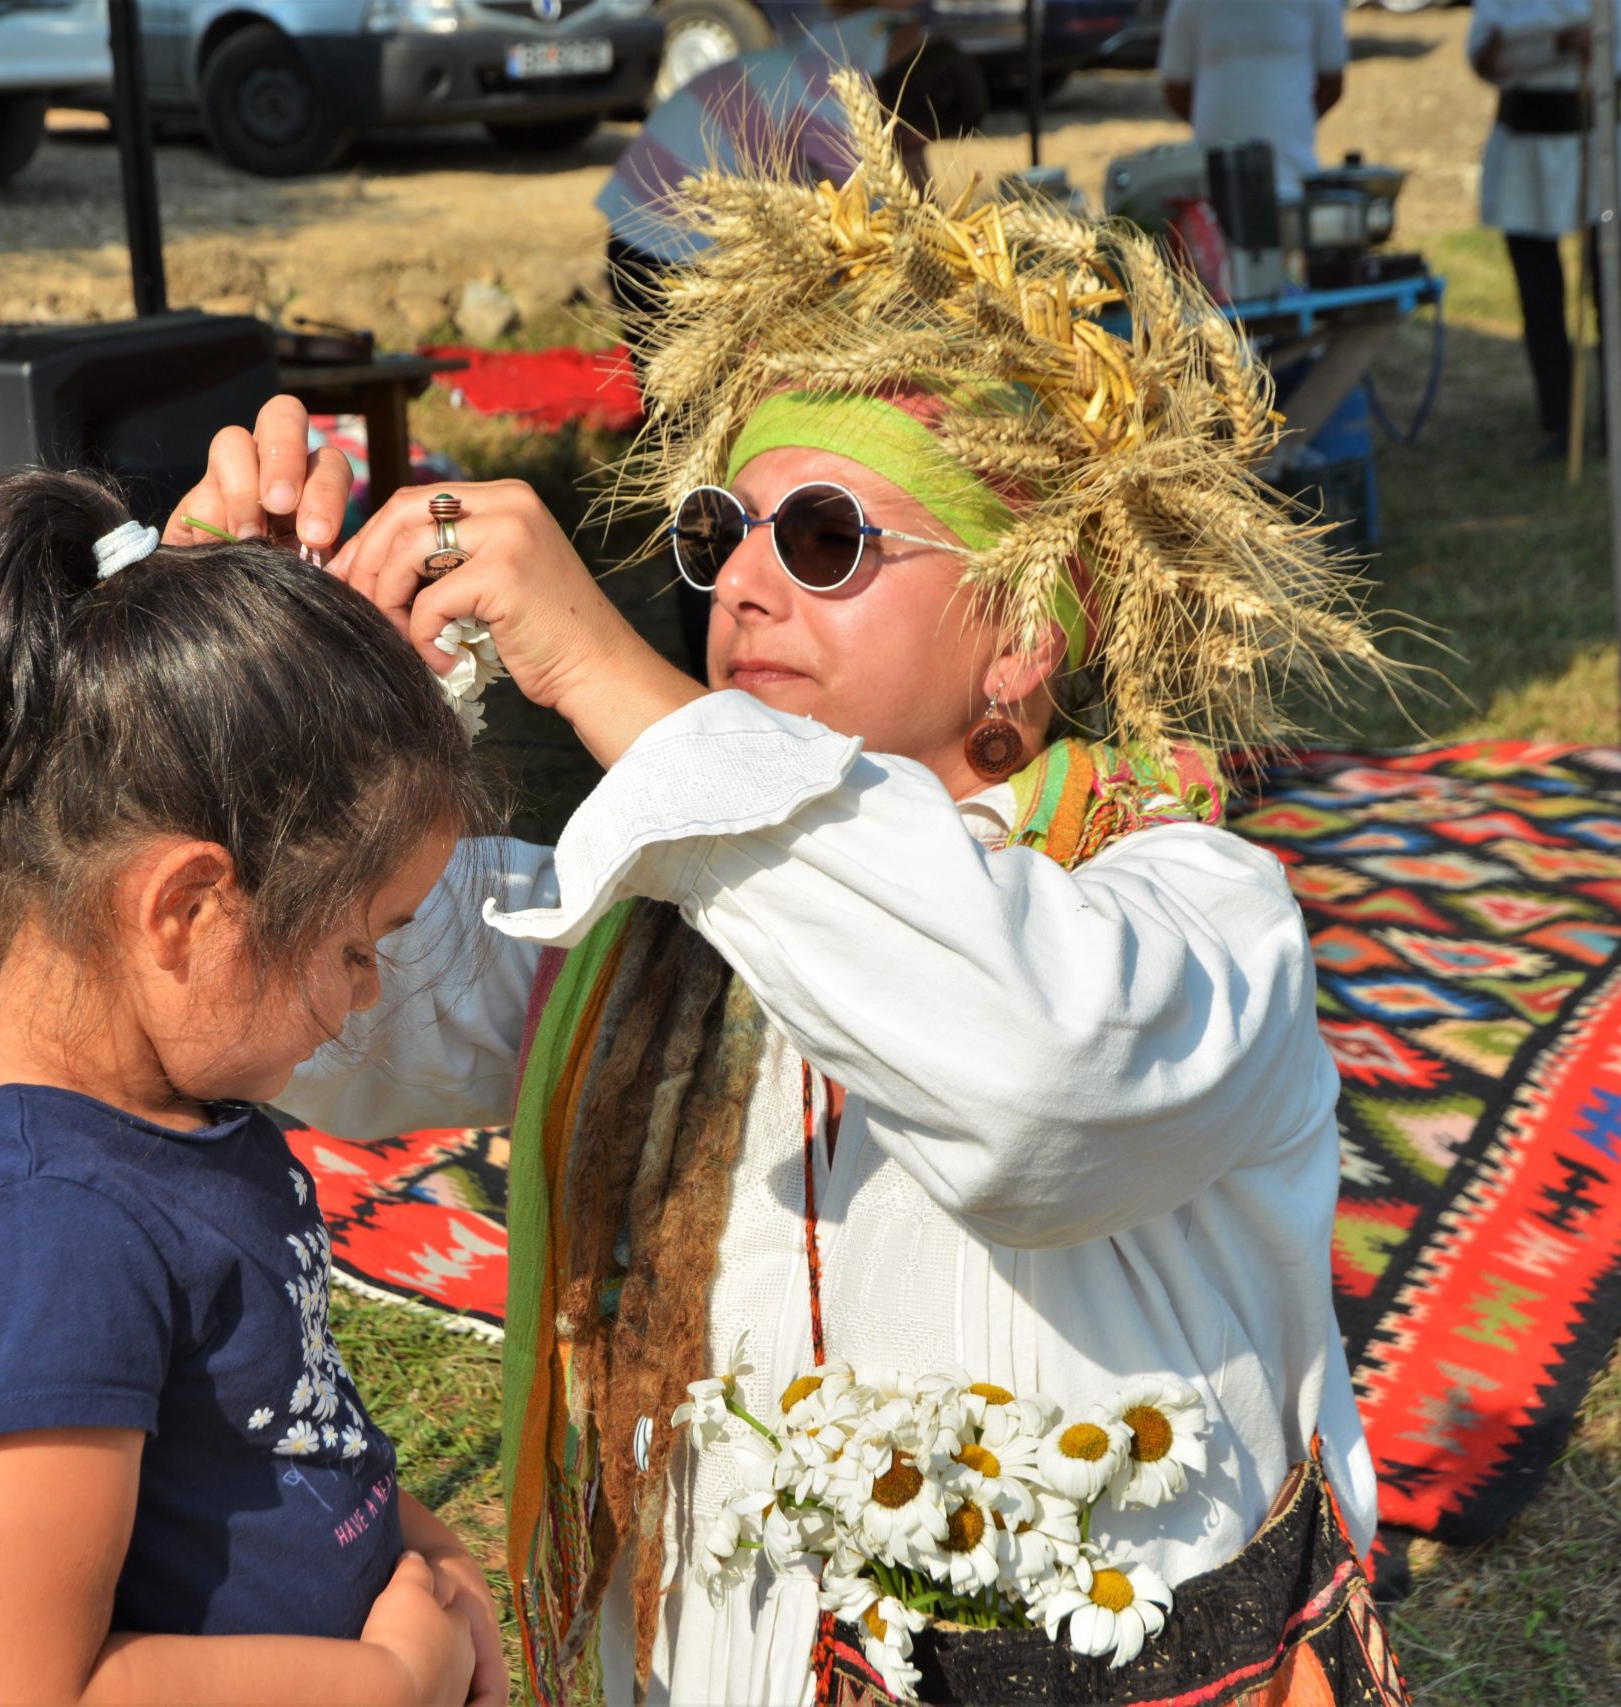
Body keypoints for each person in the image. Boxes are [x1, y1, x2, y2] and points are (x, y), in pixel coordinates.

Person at [177, 74, 1409, 1707]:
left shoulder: (1197, 913)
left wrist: (610, 680)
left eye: (824, 536)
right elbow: (290, 1007)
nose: (745, 579)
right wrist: (248, 681)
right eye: (719, 533)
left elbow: (1034, 1079)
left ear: (1024, 630)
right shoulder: (653, 923)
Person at [0, 463, 504, 1706]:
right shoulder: (48, 1235)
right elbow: (9, 1690)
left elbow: (279, 1439)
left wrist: (427, 1552)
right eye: (357, 946)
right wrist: (382, 1683)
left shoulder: (171, 1113)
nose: (365, 994)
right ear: (191, 909)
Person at [599, 3, 976, 674]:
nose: (921, 154)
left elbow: (902, 212)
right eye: (919, 140)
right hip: (667, 252)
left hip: (655, 229)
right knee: (707, 460)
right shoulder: (841, 109)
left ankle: (724, 646)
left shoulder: (850, 69)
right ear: (899, 118)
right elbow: (896, 245)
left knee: (713, 450)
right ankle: (709, 657)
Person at [1468, 0, 1621, 465]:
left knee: (1613, 291)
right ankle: (1559, 420)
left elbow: (1616, 33)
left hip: (1597, 151)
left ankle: (1620, 419)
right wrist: (1553, 43)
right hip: (1525, 157)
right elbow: (1486, 58)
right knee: (1540, 295)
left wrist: (1536, 42)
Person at [1159, 0, 1348, 198]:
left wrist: (1291, 125)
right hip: (1215, 185)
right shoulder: (1189, 4)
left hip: (1295, 180)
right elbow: (1175, 86)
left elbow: (1332, 81)